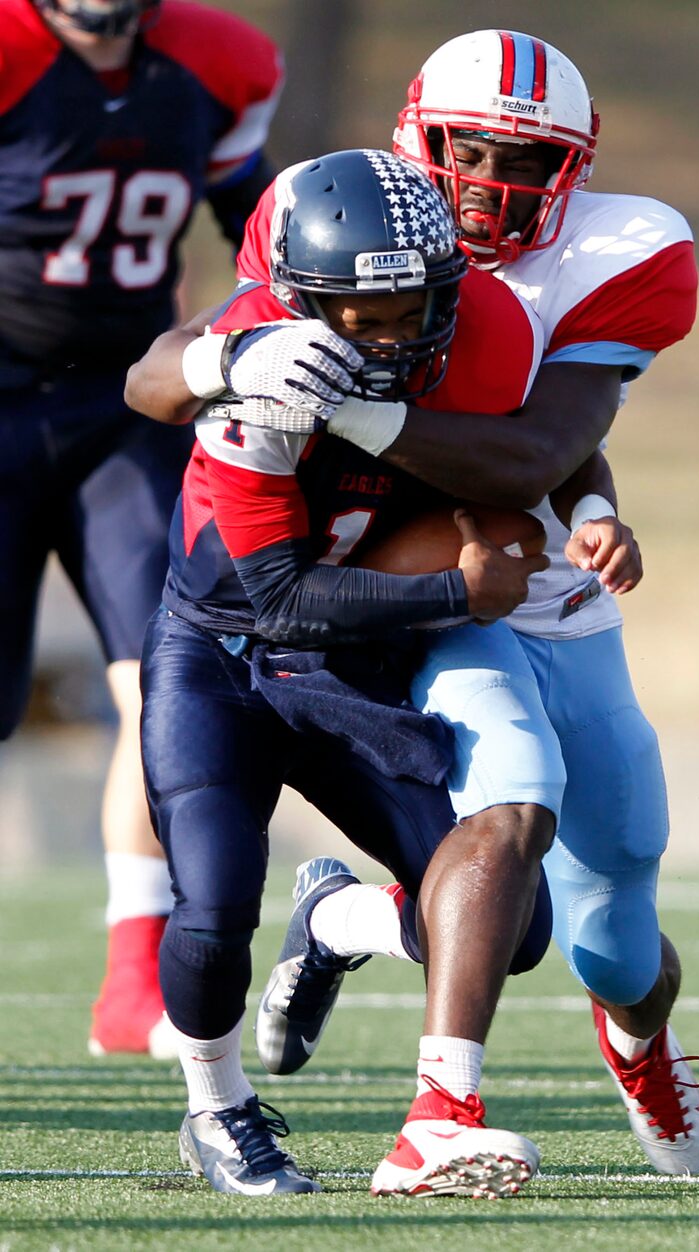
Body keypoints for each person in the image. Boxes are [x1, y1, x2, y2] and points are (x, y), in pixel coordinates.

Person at [202, 30, 699, 1178]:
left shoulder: (619, 252)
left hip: (551, 587)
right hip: (432, 593)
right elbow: (215, 368)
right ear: (415, 137)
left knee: (613, 918)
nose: (491, 183)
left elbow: (541, 437)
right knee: (512, 801)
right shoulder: (334, 216)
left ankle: (630, 1038)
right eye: (470, 151)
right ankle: (439, 1114)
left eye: (526, 161)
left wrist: (588, 501)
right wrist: (216, 372)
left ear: (573, 171)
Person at [131, 148, 559, 1196]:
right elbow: (274, 597)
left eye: (412, 304)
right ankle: (217, 1105)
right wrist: (460, 594)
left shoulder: (489, 328)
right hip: (226, 654)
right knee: (212, 906)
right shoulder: (263, 370)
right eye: (359, 316)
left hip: (352, 658)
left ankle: (335, 919)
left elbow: (537, 452)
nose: (391, 334)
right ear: (299, 302)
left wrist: (582, 511)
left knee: (515, 928)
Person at [0, 0, 283, 1057]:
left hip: (125, 412)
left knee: (163, 681)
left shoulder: (217, 64)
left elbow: (257, 229)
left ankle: (132, 983)